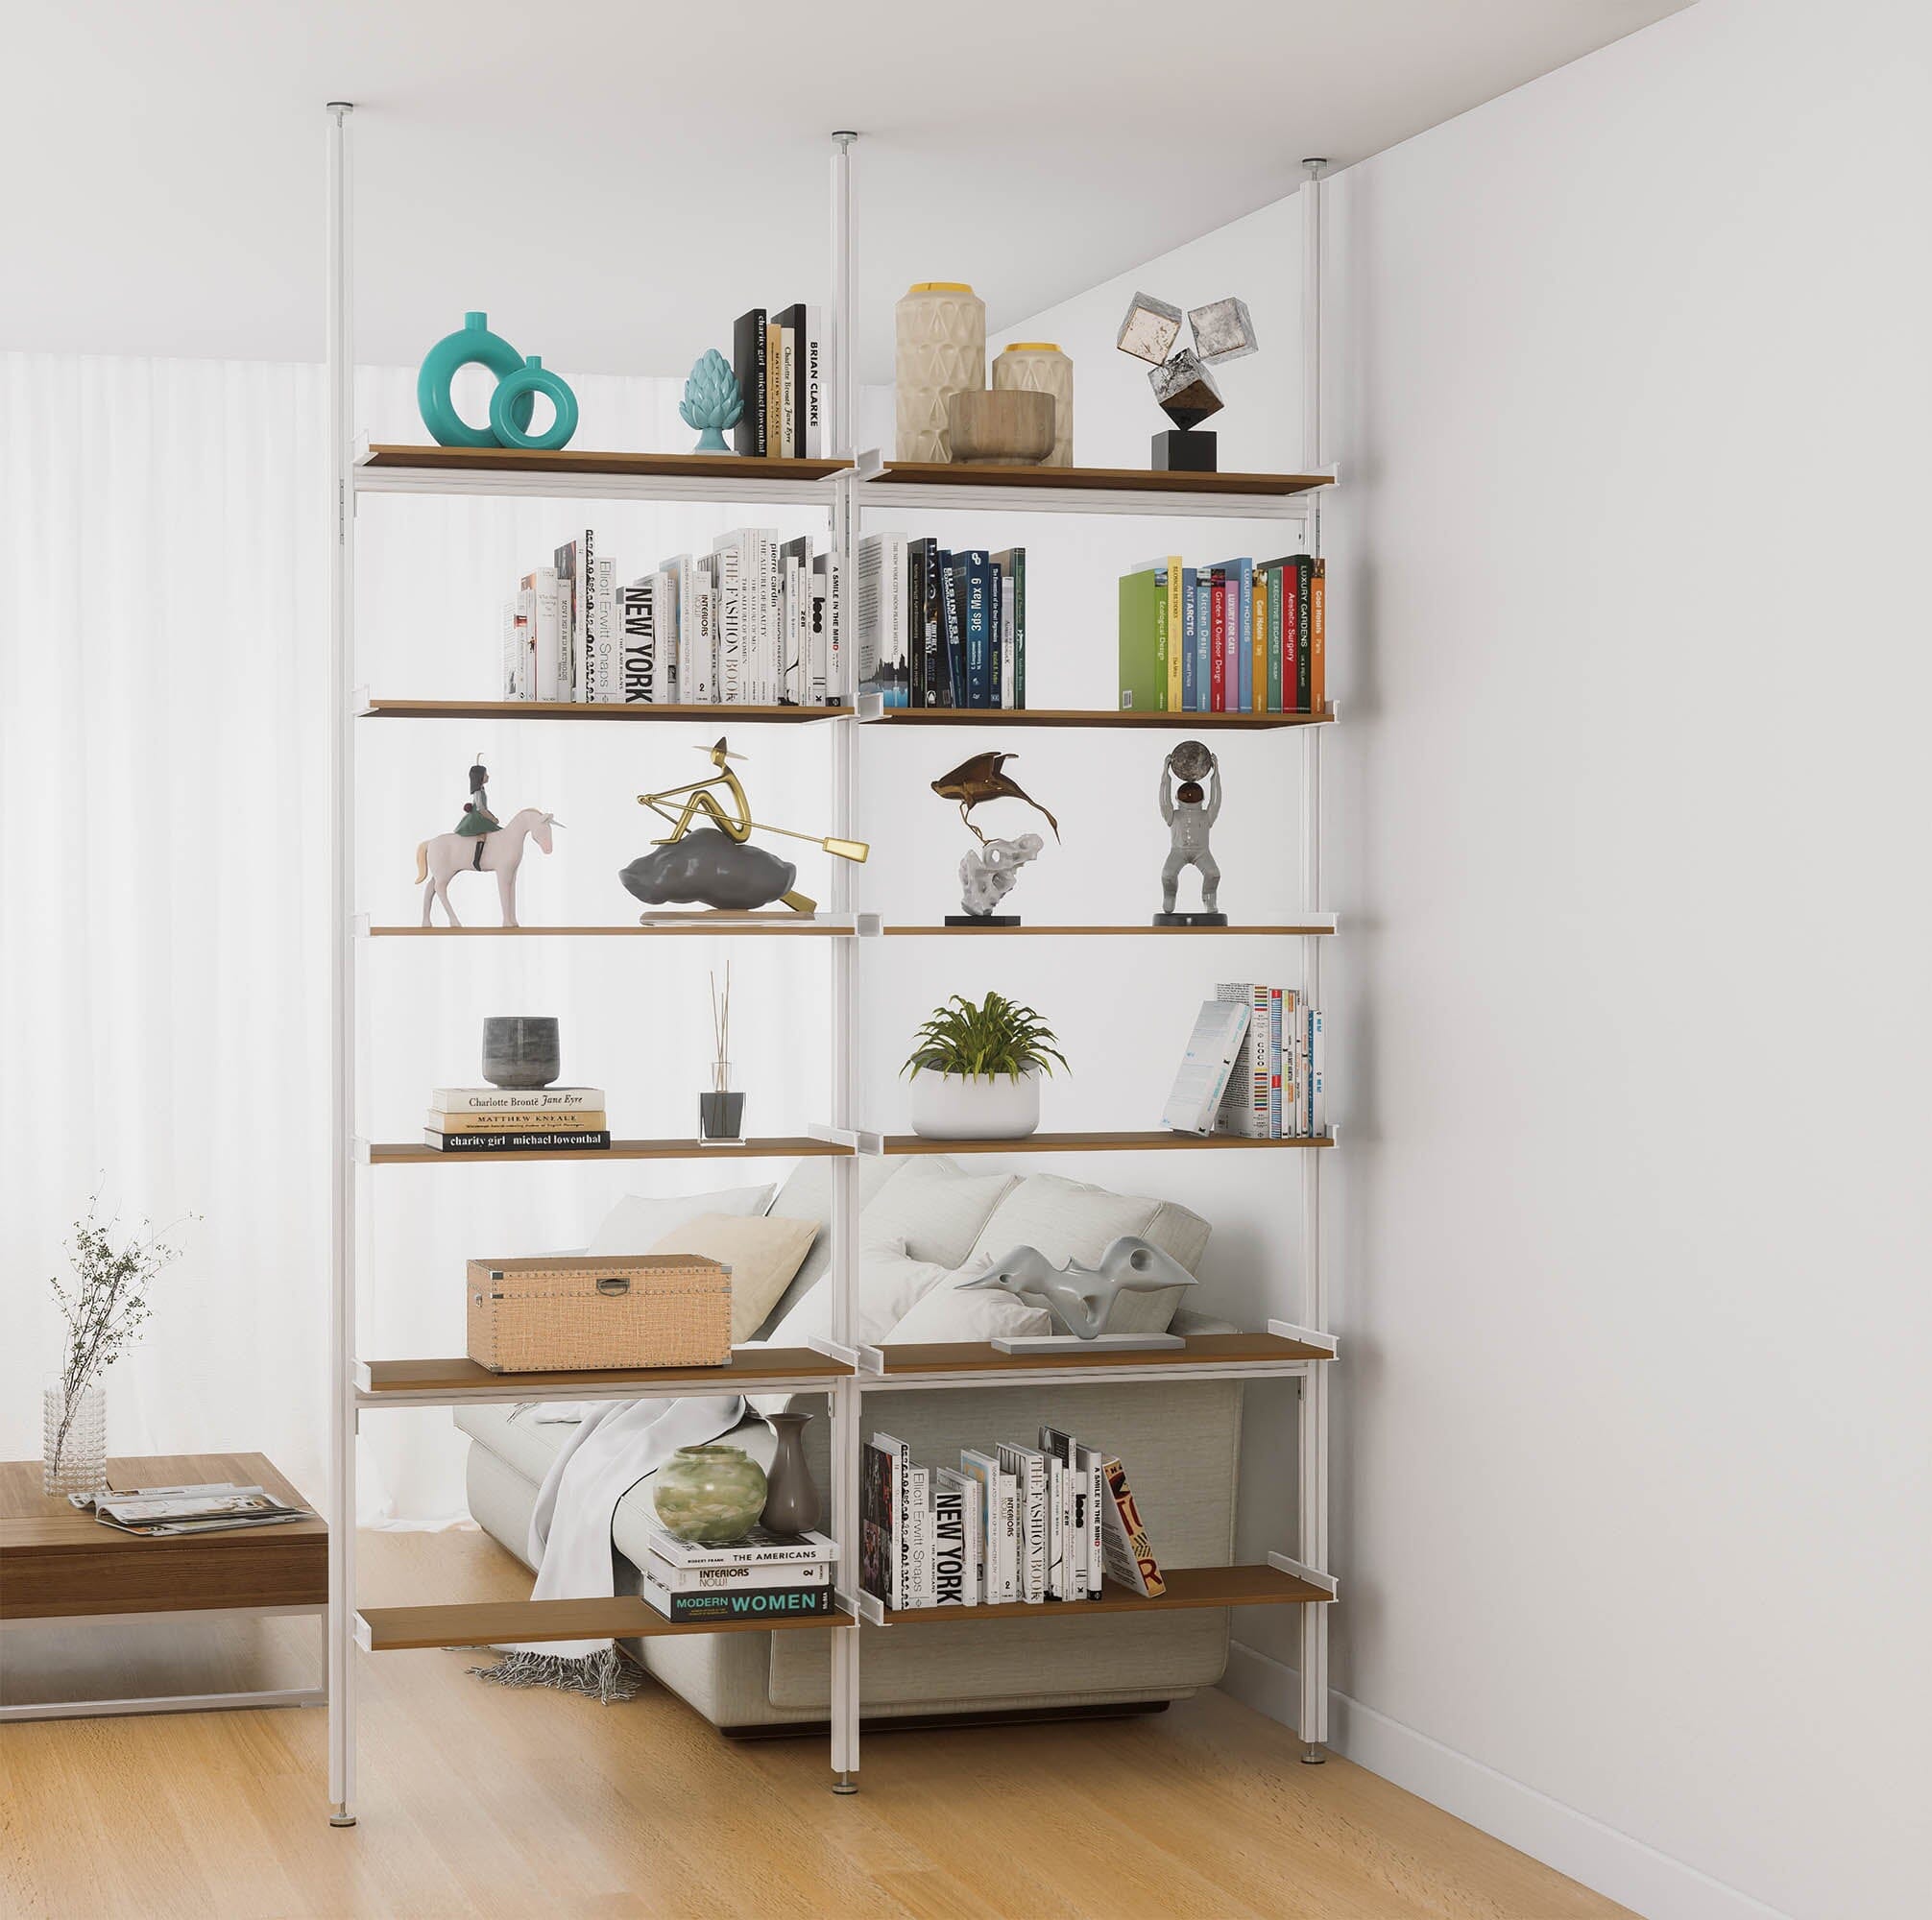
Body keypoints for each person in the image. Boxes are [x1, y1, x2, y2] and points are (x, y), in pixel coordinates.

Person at [1159, 749, 1222, 917]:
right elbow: (1164, 800)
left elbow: (1216, 801)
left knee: (1213, 874)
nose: (1189, 796)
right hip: (1177, 851)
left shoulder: (1206, 815)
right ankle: (1170, 895)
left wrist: (1216, 774)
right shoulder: (1173, 815)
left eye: (1193, 794)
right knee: (1167, 875)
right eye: (1186, 794)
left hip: (1201, 852)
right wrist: (1165, 773)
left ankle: (1209, 899)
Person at [456, 759, 500, 870]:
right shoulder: (478, 792)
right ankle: (477, 859)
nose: (488, 776)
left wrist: (491, 816)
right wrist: (492, 818)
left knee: (486, 834)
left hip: (482, 814)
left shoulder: (482, 789)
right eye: (485, 774)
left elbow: (484, 808)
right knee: (486, 834)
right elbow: (481, 808)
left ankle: (482, 857)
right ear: (479, 777)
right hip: (478, 816)